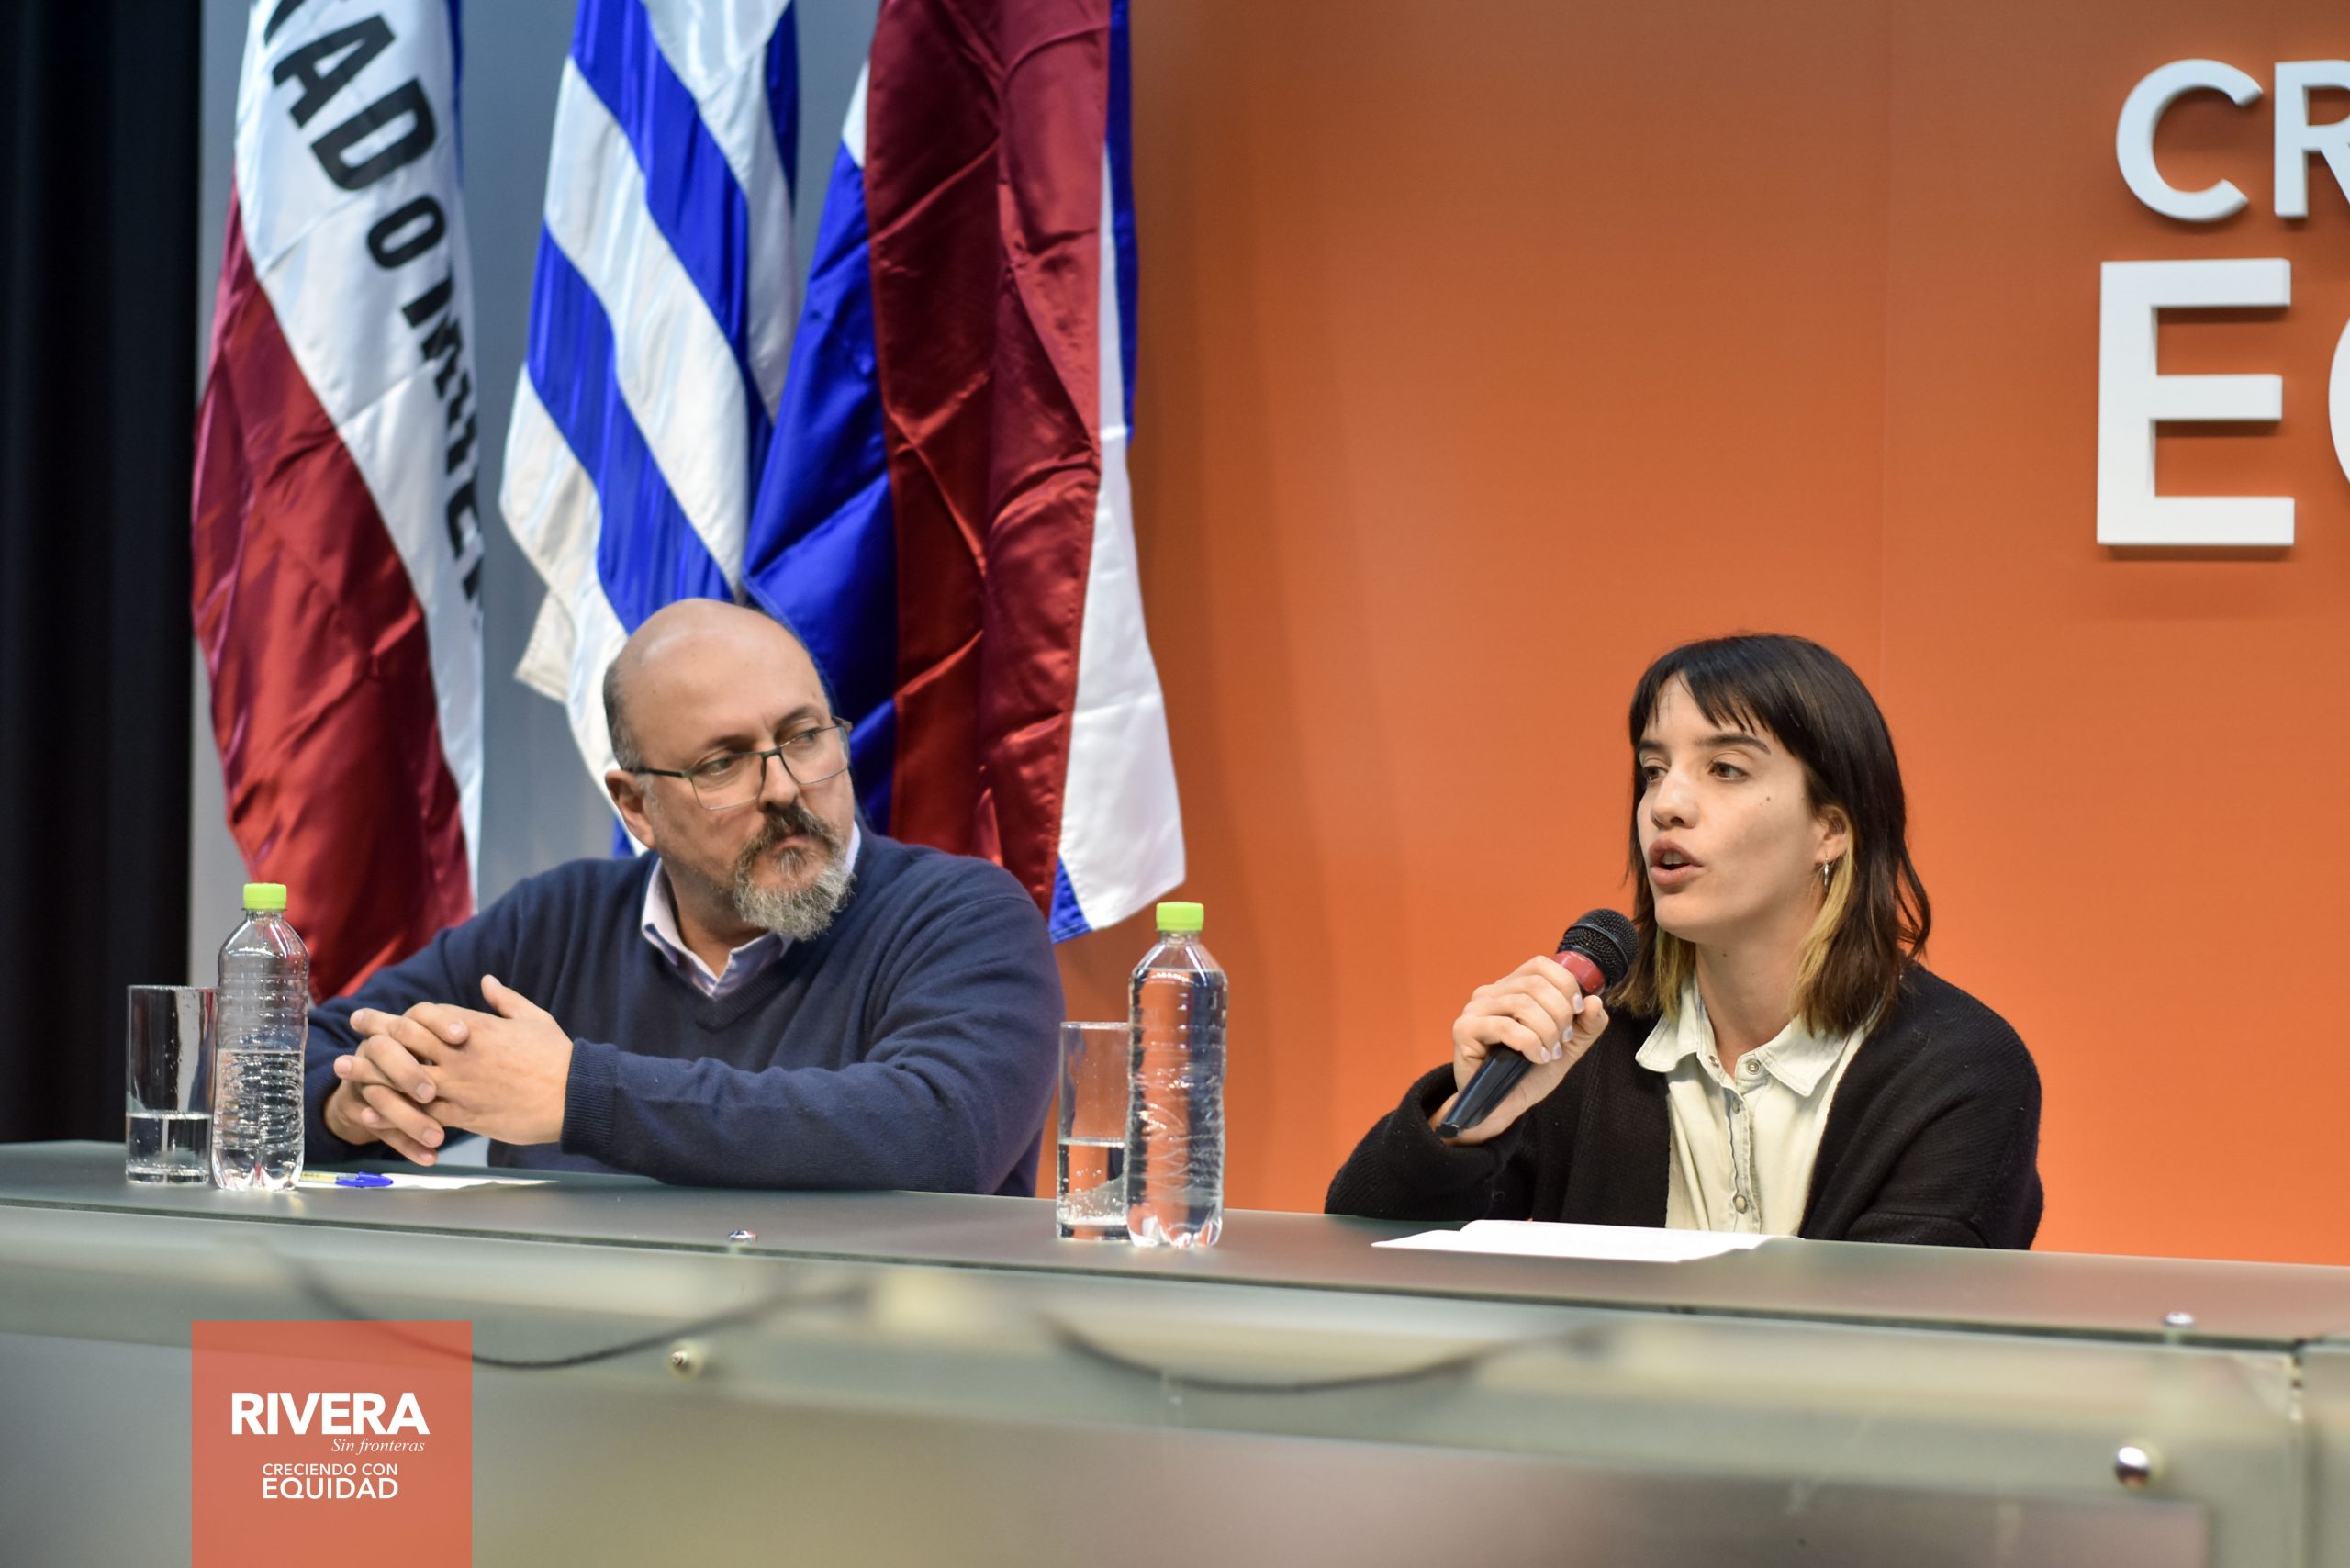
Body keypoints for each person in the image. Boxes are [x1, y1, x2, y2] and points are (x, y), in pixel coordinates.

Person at [302, 598, 1065, 1193]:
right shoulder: (557, 923)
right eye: (723, 763)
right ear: (636, 807)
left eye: (804, 737)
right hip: (567, 1341)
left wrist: (578, 1095)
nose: (784, 788)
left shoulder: (965, 918)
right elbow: (296, 1061)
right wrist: (352, 1106)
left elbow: (940, 1134)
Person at [1326, 633, 2042, 1247]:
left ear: (1831, 828)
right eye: (1653, 771)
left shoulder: (1959, 1070)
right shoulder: (1585, 1040)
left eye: (1726, 769)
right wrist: (1474, 1119)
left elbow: (1896, 1338)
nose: (1665, 804)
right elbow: (1363, 1252)